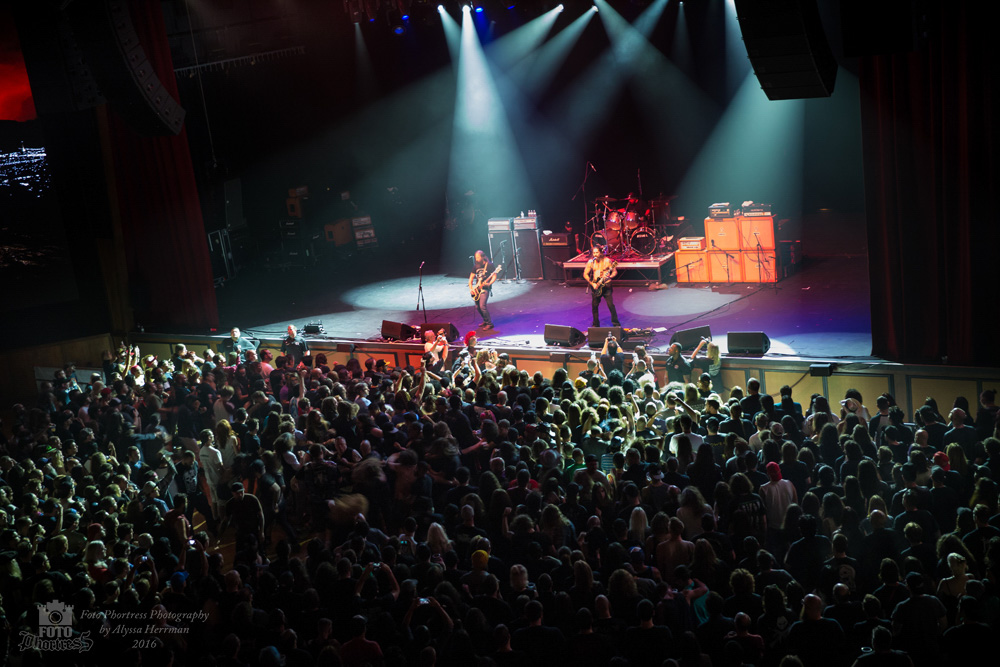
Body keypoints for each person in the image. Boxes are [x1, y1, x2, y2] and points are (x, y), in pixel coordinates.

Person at [583, 244, 620, 327]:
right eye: (594, 253)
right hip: (596, 286)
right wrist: (592, 283)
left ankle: (616, 323)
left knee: (610, 305)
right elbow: (585, 274)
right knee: (594, 306)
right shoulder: (590, 262)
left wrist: (609, 276)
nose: (595, 254)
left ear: (600, 253)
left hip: (606, 286)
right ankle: (595, 324)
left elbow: (614, 272)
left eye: (597, 252)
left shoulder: (607, 261)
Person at [469, 250, 498, 330]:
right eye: (476, 258)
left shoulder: (489, 265)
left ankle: (489, 323)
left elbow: (494, 276)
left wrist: (489, 283)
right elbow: (471, 278)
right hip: (478, 288)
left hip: (485, 288)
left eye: (478, 257)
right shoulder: (475, 266)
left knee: (482, 306)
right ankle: (485, 320)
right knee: (477, 307)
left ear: (483, 257)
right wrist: (471, 288)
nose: (477, 259)